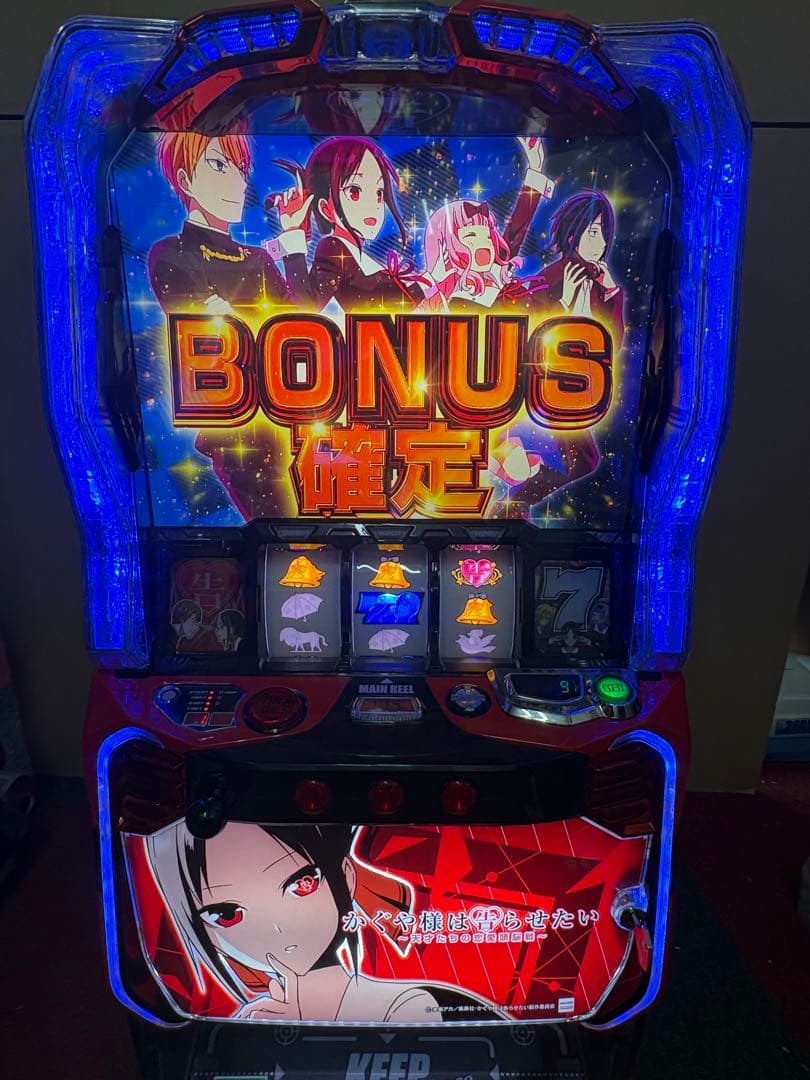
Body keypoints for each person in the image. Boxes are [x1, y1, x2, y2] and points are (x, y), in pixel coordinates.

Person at [145, 820, 501, 1023]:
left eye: (302, 884)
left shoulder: (407, 1005)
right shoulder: (254, 1017)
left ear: (345, 875)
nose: (278, 929)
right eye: (227, 914)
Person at [148, 130, 309, 315]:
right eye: (219, 165)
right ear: (185, 181)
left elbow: (302, 318)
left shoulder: (258, 257)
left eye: (241, 168)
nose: (242, 184)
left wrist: (292, 231)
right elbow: (198, 322)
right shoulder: (173, 252)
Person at [273, 136, 429, 315]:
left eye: (379, 193)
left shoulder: (358, 256)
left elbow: (392, 307)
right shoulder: (333, 248)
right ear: (325, 208)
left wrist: (431, 283)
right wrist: (292, 231)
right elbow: (306, 307)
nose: (372, 205)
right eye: (354, 191)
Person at [421, 137, 556, 311]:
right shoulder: (433, 292)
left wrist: (535, 170)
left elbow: (516, 229)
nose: (484, 243)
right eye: (471, 235)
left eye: (487, 236)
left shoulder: (495, 274)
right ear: (445, 243)